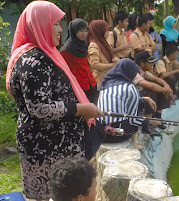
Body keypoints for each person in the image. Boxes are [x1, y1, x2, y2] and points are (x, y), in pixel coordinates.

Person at [5, 1, 104, 200]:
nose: (60, 29)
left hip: (56, 145)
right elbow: (39, 107)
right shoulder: (33, 61)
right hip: (46, 147)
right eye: (55, 24)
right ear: (38, 25)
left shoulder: (45, 53)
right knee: (54, 194)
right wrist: (79, 109)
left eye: (60, 23)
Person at [97, 59, 158, 149]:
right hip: (117, 135)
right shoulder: (130, 87)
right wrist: (151, 121)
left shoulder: (104, 84)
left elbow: (122, 101)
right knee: (137, 109)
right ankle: (135, 144)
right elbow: (133, 120)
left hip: (100, 133)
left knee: (139, 102)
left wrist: (144, 98)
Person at [60, 18, 99, 104]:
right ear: (74, 31)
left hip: (91, 83)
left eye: (86, 31)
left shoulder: (85, 45)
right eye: (81, 31)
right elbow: (63, 70)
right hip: (79, 87)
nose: (84, 34)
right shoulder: (66, 49)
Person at [134, 51, 173, 127]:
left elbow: (158, 80)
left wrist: (166, 86)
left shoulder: (144, 71)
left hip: (140, 94)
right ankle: (149, 122)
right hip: (134, 98)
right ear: (142, 64)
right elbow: (150, 86)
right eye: (150, 63)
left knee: (159, 89)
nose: (152, 65)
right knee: (151, 91)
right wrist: (165, 90)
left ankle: (158, 117)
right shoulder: (135, 72)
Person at [87, 20, 119, 91]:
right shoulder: (94, 45)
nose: (108, 33)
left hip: (108, 79)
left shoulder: (103, 42)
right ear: (100, 30)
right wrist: (112, 65)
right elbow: (95, 65)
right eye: (107, 30)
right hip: (100, 81)